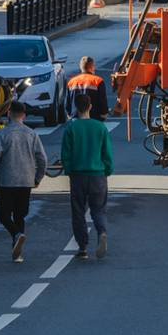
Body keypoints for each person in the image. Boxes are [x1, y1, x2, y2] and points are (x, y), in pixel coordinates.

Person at [0, 100, 47, 262]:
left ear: (9, 114)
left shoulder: (2, 134)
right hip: (26, 180)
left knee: (3, 215)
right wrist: (38, 177)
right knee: (20, 215)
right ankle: (17, 252)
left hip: (7, 180)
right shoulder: (31, 134)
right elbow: (42, 158)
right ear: (24, 115)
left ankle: (16, 234)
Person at [62, 91, 115, 260]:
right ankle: (102, 232)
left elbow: (66, 154)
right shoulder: (100, 127)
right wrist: (107, 170)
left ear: (76, 108)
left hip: (78, 175)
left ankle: (82, 247)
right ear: (90, 107)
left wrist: (69, 170)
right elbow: (107, 154)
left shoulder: (71, 127)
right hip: (97, 175)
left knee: (78, 212)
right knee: (98, 210)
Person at [65, 56, 105, 120]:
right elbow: (102, 101)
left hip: (76, 117)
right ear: (92, 67)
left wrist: (70, 114)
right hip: (94, 118)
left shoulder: (71, 82)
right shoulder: (98, 81)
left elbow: (68, 103)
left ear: (81, 67)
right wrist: (103, 114)